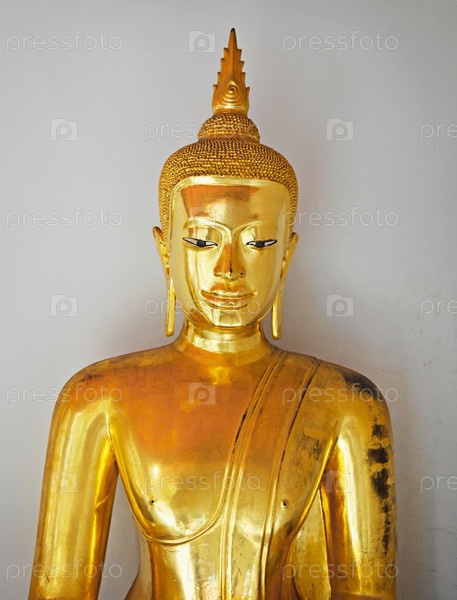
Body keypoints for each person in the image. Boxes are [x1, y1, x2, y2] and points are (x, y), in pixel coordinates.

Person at [29, 29, 396, 600]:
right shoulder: (98, 396)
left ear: (288, 255)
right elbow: (59, 590)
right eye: (201, 241)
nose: (228, 269)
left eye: (258, 243)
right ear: (164, 251)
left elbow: (366, 590)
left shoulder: (344, 401)